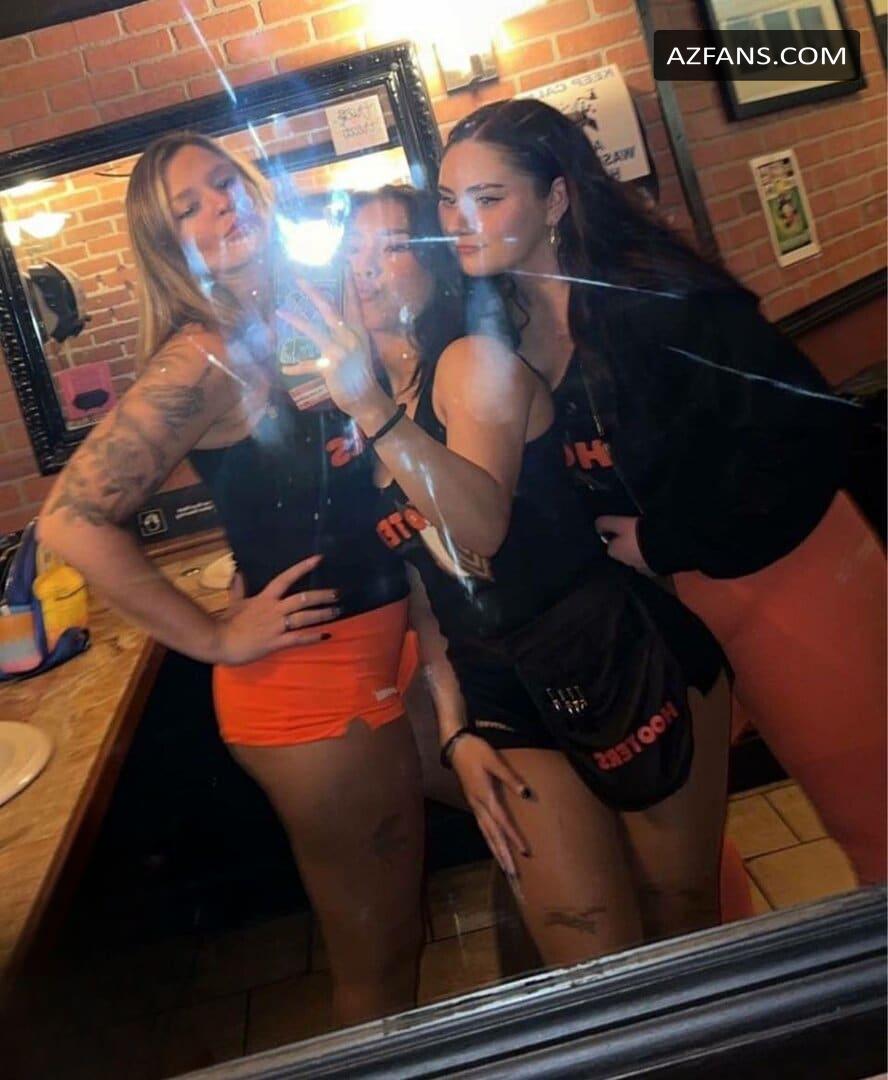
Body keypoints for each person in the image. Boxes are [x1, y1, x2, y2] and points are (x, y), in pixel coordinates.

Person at [437, 98, 886, 887]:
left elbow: (808, 437)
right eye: (447, 201)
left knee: (872, 820)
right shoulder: (497, 328)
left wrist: (662, 540)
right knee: (686, 863)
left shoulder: (661, 300)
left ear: (555, 197)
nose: (459, 223)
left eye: (487, 197)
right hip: (658, 623)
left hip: (787, 577)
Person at [282, 184, 732, 968]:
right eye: (353, 249)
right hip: (498, 683)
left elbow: (481, 525)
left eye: (393, 246)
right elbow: (427, 592)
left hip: (613, 650)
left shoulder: (469, 362)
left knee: (681, 913)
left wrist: (373, 411)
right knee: (590, 949)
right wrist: (455, 729)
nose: (366, 267)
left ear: (438, 266)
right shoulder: (360, 406)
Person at [36, 133, 427, 1026]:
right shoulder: (201, 356)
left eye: (224, 183)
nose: (220, 206)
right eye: (190, 208)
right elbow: (69, 520)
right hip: (309, 685)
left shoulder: (300, 312)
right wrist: (214, 635)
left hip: (386, 646)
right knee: (379, 961)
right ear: (169, 247)